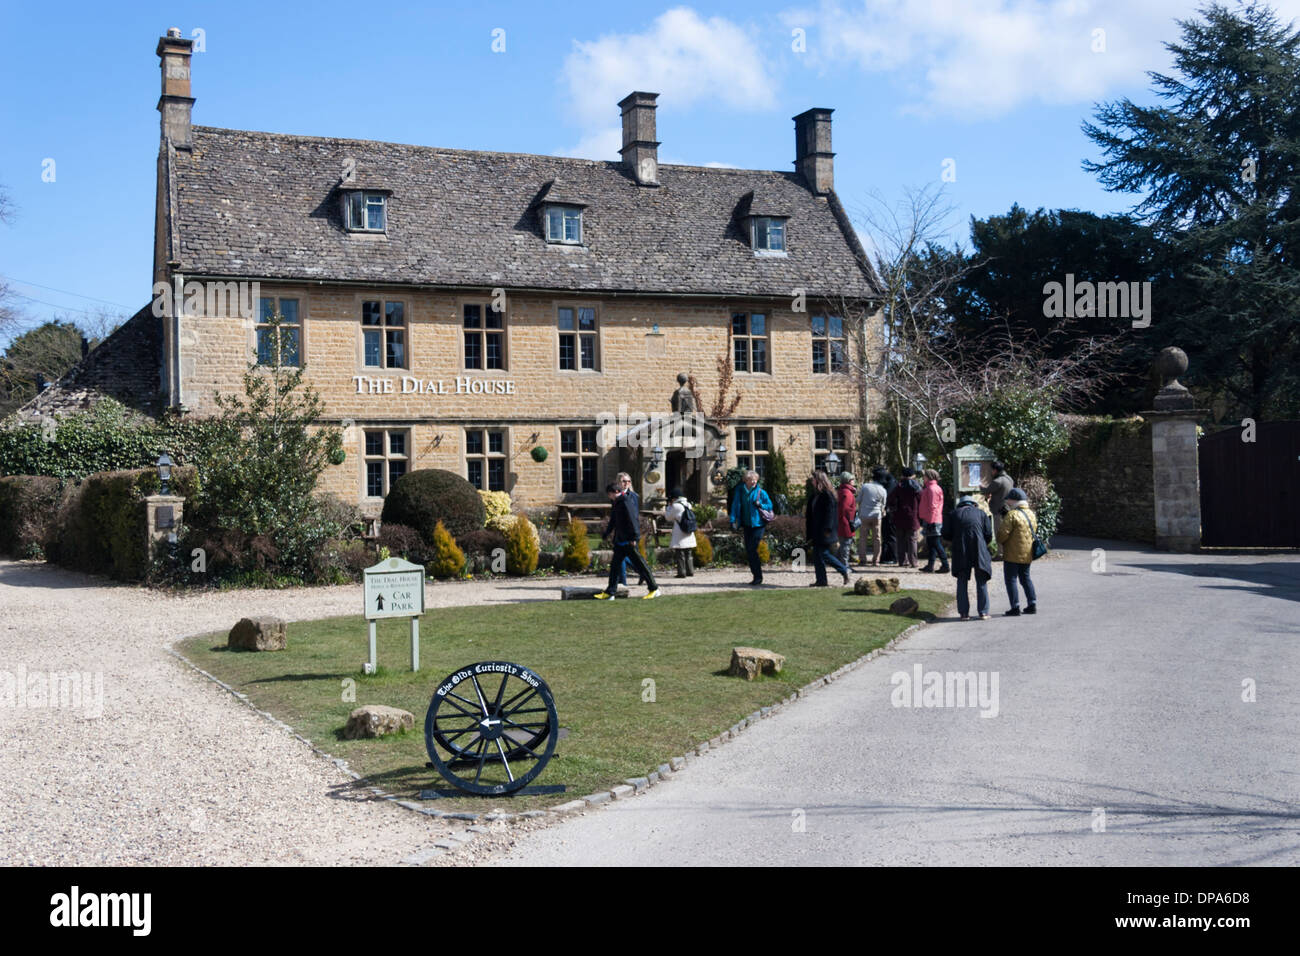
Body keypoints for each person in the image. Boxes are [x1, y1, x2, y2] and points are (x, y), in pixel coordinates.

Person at [596, 481, 659, 600]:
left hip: (629, 541)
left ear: (615, 492)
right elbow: (613, 520)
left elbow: (633, 520)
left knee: (641, 565)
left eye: (609, 494)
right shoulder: (616, 503)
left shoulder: (625, 501)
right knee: (615, 567)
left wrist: (634, 537)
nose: (609, 497)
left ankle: (654, 589)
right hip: (620, 540)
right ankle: (610, 593)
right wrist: (607, 533)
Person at [942, 495, 993, 620]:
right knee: (981, 580)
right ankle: (983, 612)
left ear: (960, 505)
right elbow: (988, 534)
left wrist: (953, 539)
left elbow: (946, 533)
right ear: (973, 504)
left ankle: (964, 614)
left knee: (962, 581)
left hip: (961, 550)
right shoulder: (981, 513)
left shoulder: (953, 514)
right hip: (979, 548)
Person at [997, 487, 1038, 616]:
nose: (1007, 502)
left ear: (1014, 500)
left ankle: (1015, 607)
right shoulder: (1031, 514)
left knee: (1011, 580)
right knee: (1026, 578)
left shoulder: (1012, 514)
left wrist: (1000, 541)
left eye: (1008, 499)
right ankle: (1032, 604)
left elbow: (1002, 534)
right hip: (1027, 553)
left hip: (1012, 554)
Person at [729, 470, 773, 586]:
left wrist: (761, 505)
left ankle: (758, 577)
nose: (753, 481)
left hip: (758, 525)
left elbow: (770, 505)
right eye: (751, 479)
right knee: (749, 551)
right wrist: (732, 521)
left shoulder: (761, 492)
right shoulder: (740, 491)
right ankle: (756, 576)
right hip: (746, 525)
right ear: (745, 480)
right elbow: (735, 506)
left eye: (755, 479)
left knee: (752, 549)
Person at [806, 471, 851, 587]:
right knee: (817, 556)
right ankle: (821, 580)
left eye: (813, 479)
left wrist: (827, 529)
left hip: (825, 530)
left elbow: (830, 514)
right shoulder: (815, 495)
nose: (812, 481)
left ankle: (844, 570)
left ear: (819, 480)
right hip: (816, 530)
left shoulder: (827, 495)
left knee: (824, 554)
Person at [887, 467, 922, 568]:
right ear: (913, 475)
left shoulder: (899, 486)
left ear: (903, 475)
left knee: (900, 540)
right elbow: (921, 498)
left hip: (899, 515)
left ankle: (902, 561)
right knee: (912, 540)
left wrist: (893, 508)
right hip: (913, 516)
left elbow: (890, 499)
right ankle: (913, 561)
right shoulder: (916, 487)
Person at [919, 468, 949, 573]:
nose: (923, 478)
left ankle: (945, 565)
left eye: (924, 476)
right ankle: (930, 565)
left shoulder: (932, 489)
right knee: (931, 543)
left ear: (929, 477)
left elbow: (933, 506)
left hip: (932, 519)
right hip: (931, 518)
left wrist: (931, 521)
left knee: (936, 543)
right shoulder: (932, 488)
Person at [663, 486, 696, 579]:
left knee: (680, 553)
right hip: (689, 530)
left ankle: (682, 572)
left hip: (680, 531)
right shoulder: (688, 504)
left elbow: (668, 517)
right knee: (688, 552)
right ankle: (690, 571)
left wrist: (668, 507)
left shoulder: (675, 506)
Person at [856, 471, 887, 566]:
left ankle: (863, 559)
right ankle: (876, 560)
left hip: (864, 515)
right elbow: (883, 504)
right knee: (877, 538)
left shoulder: (865, 487)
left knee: (863, 538)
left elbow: (858, 500)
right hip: (876, 515)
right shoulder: (883, 490)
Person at [983, 461, 1014, 545]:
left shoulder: (997, 481)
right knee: (1007, 532)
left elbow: (986, 490)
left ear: (995, 470)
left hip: (999, 511)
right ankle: (1007, 552)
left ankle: (1000, 553)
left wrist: (978, 485)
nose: (990, 472)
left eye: (991, 470)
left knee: (999, 532)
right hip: (1008, 509)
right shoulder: (1009, 479)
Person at [875, 467, 898, 563]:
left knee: (890, 535)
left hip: (890, 513)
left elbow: (887, 498)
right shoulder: (889, 482)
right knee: (887, 535)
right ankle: (886, 556)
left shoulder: (890, 484)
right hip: (888, 512)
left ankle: (892, 557)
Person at [836, 471, 858, 567]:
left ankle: (838, 562)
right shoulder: (847, 493)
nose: (854, 481)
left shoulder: (842, 491)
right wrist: (852, 519)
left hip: (843, 521)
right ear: (849, 481)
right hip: (846, 522)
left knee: (843, 545)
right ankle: (844, 565)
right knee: (846, 544)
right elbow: (845, 509)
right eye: (852, 479)